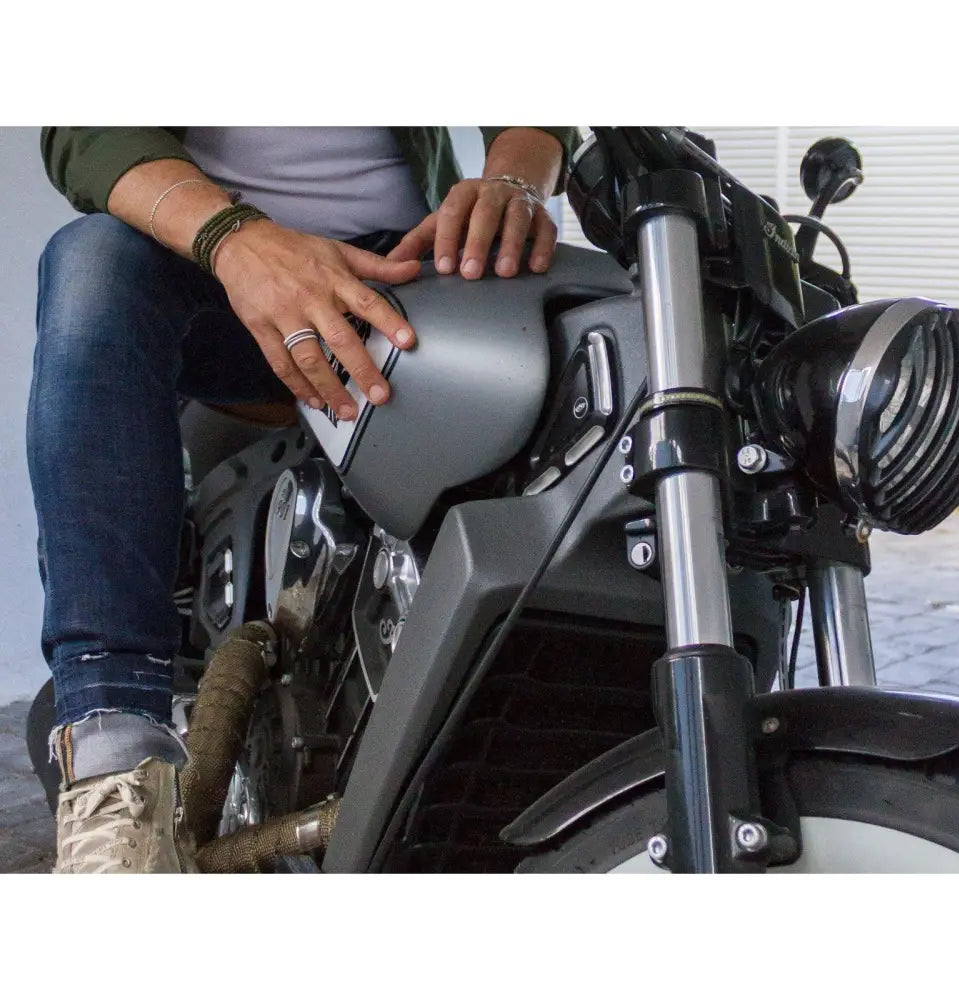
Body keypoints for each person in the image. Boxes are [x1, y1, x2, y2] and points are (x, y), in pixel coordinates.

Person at [30, 125, 578, 873]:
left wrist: (511, 184)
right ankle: (113, 760)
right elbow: (87, 131)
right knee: (93, 260)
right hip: (205, 265)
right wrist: (236, 240)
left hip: (401, 262)